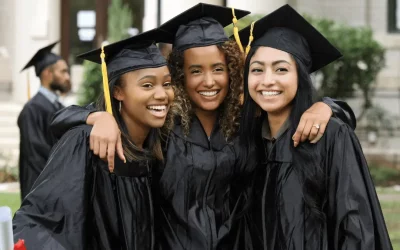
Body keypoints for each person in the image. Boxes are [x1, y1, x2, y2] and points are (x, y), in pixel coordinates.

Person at [50, 3, 355, 249]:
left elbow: (313, 115)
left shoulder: (248, 122)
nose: (208, 81)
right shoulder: (162, 126)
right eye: (195, 71)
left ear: (232, 70)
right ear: (179, 75)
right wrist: (97, 117)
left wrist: (325, 105)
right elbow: (61, 120)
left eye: (218, 69)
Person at [238, 5, 393, 249]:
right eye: (257, 69)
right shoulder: (247, 140)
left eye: (281, 69)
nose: (267, 80)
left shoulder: (330, 136)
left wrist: (330, 107)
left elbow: (355, 229)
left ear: (300, 76)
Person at [13, 29, 175, 249]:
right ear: (117, 92)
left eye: (167, 84)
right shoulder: (85, 142)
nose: (161, 94)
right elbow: (38, 221)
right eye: (147, 85)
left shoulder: (158, 144)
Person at [18, 42, 70, 200]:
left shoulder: (59, 106)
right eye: (63, 72)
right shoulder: (32, 110)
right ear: (48, 73)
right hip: (41, 194)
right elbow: (35, 157)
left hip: (60, 190)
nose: (67, 77)